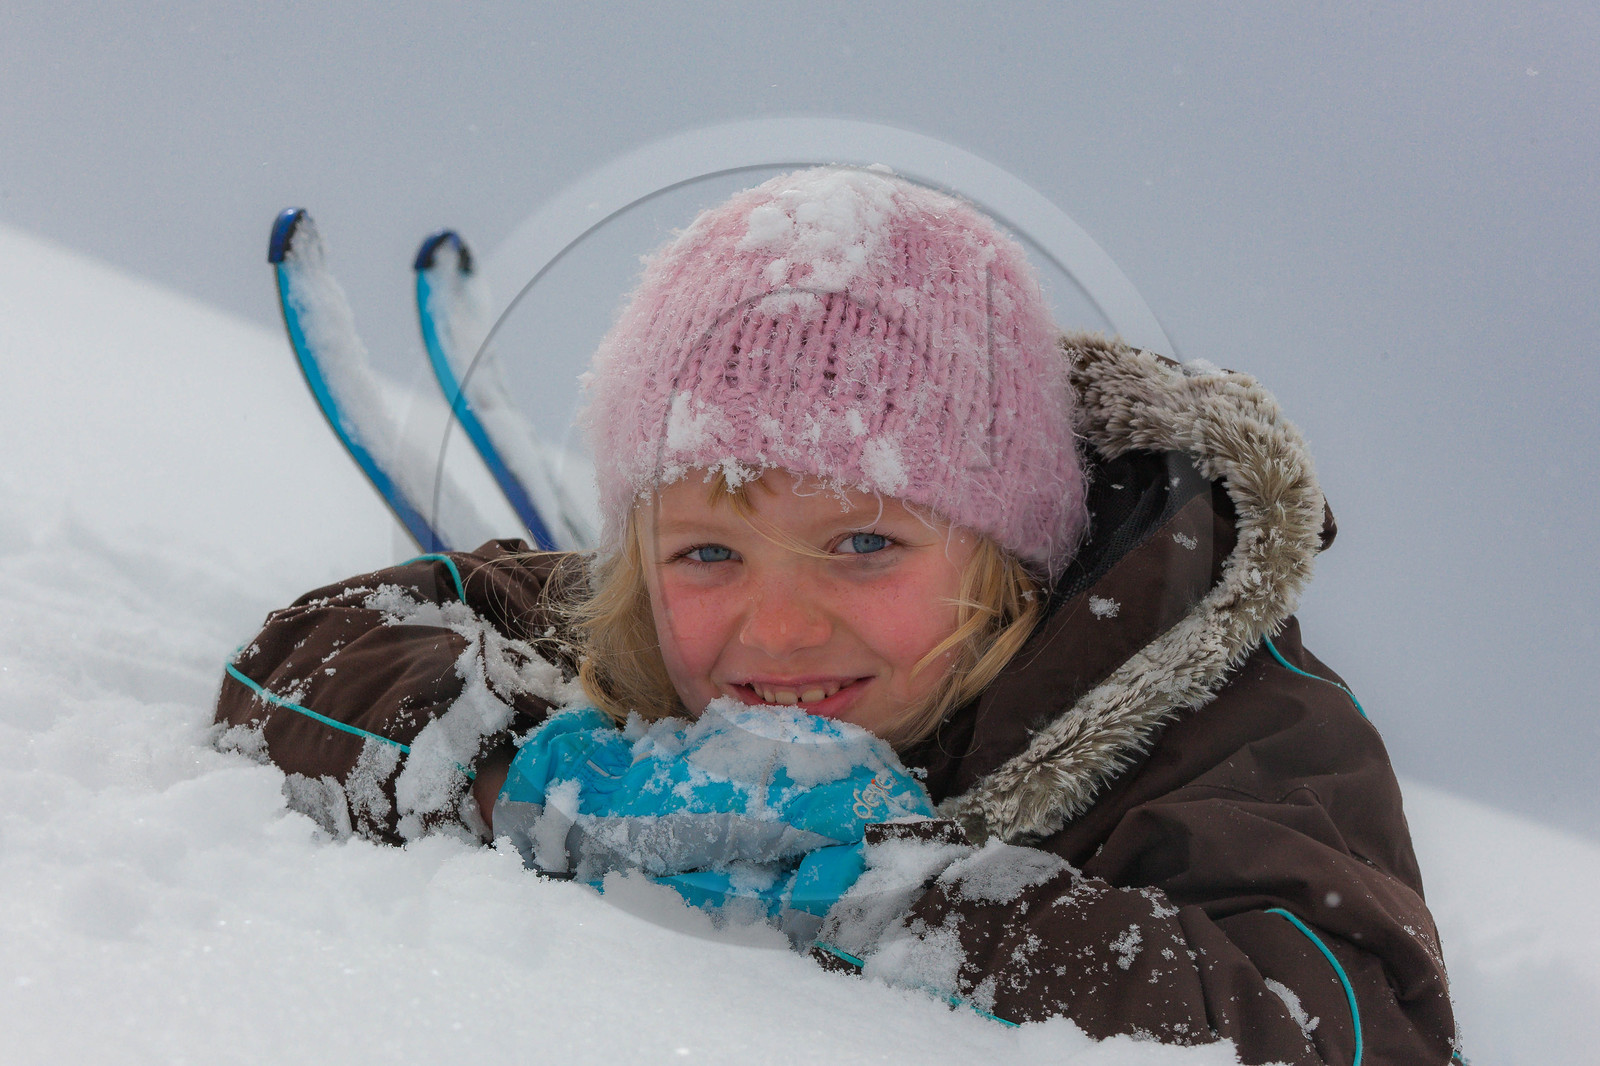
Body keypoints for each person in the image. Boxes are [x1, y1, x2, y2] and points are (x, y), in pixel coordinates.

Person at [215, 167, 1457, 1063]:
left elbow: (1338, 1022)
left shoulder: (1234, 726)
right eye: (707, 550)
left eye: (863, 542)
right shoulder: (640, 630)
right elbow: (307, 655)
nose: (779, 627)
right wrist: (522, 777)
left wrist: (885, 897)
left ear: (1010, 556)